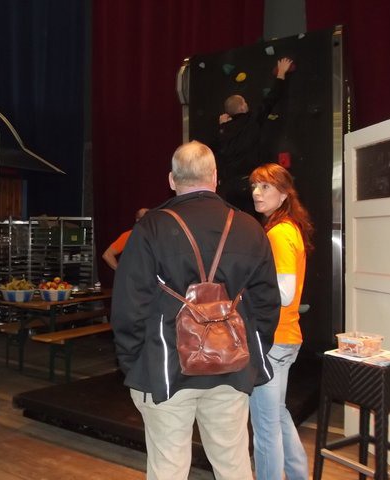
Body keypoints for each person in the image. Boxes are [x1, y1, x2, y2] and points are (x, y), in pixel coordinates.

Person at [111, 140, 281, 480]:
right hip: (232, 369)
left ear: (172, 179)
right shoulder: (250, 227)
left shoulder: (151, 227)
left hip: (165, 370)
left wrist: (134, 362)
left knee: (168, 468)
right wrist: (249, 349)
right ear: (215, 176)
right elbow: (267, 304)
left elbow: (129, 305)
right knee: (233, 465)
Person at [248, 163, 314, 480]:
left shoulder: (278, 233)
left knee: (265, 426)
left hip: (273, 340)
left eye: (265, 187)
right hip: (285, 337)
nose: (256, 193)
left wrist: (246, 284)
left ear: (284, 193)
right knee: (276, 414)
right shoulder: (288, 229)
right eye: (254, 186)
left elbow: (285, 293)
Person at [216, 57, 294, 212]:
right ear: (242, 107)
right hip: (249, 183)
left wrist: (222, 126)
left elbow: (219, 151)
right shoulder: (252, 120)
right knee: (252, 220)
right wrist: (281, 73)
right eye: (245, 102)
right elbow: (271, 99)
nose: (247, 104)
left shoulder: (223, 130)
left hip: (228, 188)